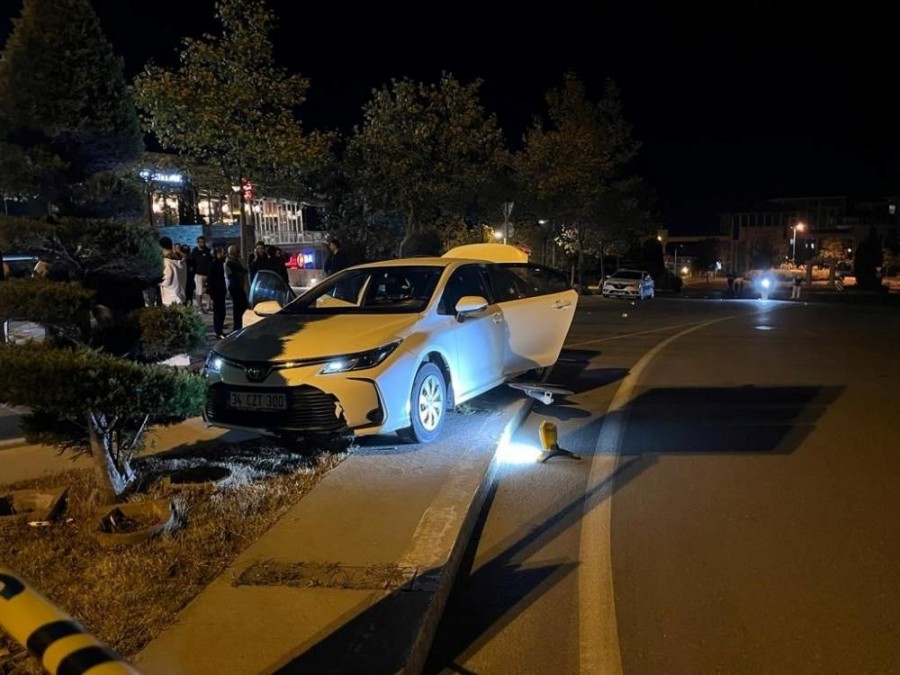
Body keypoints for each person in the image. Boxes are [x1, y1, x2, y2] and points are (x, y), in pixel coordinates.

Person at [224, 244, 249, 331]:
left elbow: (243, 271)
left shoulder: (235, 261)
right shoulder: (229, 262)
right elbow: (234, 273)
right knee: (238, 307)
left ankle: (240, 324)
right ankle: (237, 326)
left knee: (243, 304)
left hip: (238, 285)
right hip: (234, 286)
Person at [159, 236, 187, 306]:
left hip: (170, 299)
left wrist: (157, 282)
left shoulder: (166, 262)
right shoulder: (182, 261)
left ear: (161, 247)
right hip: (181, 296)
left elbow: (167, 281)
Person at [207, 246, 228, 338]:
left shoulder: (221, 263)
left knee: (222, 311)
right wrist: (212, 292)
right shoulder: (214, 264)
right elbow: (211, 279)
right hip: (216, 291)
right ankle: (218, 331)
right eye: (222, 253)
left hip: (221, 290)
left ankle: (220, 330)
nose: (224, 254)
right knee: (218, 312)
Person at [190, 235, 214, 313]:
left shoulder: (207, 251)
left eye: (203, 242)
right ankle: (200, 308)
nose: (202, 243)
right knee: (199, 291)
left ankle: (208, 306)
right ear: (197, 243)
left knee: (208, 291)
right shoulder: (195, 251)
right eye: (200, 242)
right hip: (199, 274)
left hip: (208, 274)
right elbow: (192, 262)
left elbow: (211, 260)